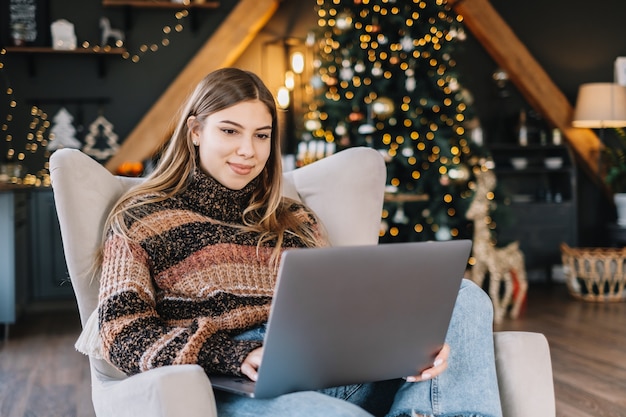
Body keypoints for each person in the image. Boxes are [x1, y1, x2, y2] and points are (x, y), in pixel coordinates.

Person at [95, 67, 503, 417]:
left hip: (333, 364)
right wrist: (234, 356)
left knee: (464, 296)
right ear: (196, 131)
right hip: (237, 380)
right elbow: (121, 333)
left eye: (262, 135)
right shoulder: (142, 218)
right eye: (230, 131)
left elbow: (341, 309)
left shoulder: (295, 218)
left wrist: (413, 348)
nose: (247, 151)